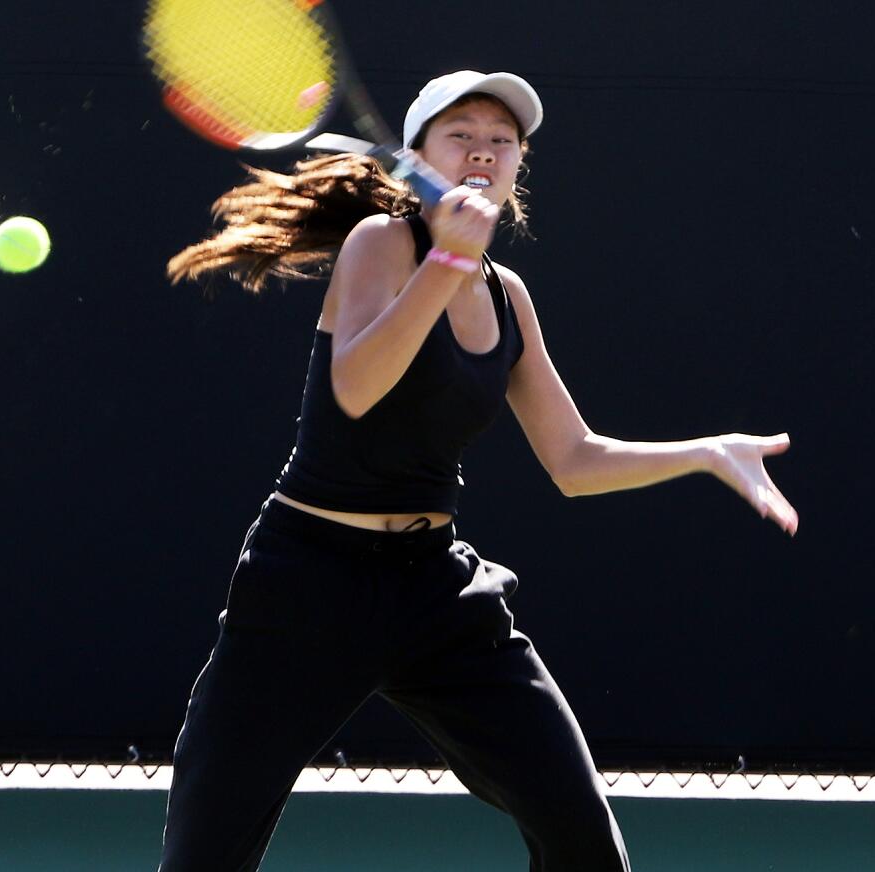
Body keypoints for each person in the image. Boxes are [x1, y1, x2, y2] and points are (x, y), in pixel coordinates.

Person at [156, 69, 798, 872]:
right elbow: (355, 388)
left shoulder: (509, 294)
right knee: (205, 857)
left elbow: (574, 459)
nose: (485, 153)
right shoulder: (381, 245)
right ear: (419, 157)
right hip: (308, 582)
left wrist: (705, 454)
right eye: (462, 135)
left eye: (503, 140)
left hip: (436, 592)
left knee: (582, 838)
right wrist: (445, 262)